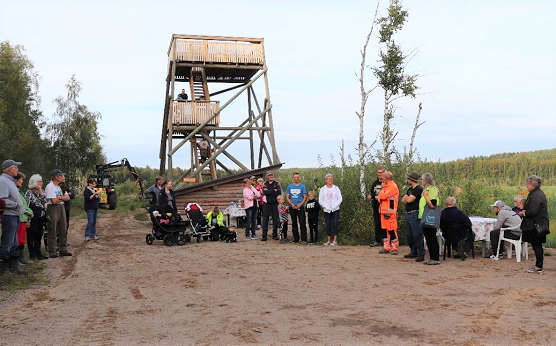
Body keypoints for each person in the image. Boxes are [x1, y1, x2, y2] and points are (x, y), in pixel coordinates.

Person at [0, 159, 28, 275]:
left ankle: (13, 267)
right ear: (11, 169)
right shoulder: (3, 181)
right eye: (16, 167)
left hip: (15, 216)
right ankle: (3, 269)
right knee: (7, 243)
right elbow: (2, 200)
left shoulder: (10, 181)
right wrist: (16, 204)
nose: (17, 170)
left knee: (14, 243)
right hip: (9, 216)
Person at [518, 175, 549, 273]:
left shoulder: (536, 195)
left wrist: (523, 213)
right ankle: (538, 265)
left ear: (531, 185)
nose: (526, 186)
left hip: (536, 225)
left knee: (537, 245)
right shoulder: (537, 193)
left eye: (527, 184)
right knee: (536, 245)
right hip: (537, 223)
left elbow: (533, 211)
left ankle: (538, 267)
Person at [45, 169, 72, 258]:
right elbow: (53, 201)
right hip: (53, 208)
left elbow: (67, 197)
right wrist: (61, 198)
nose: (63, 177)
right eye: (61, 176)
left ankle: (63, 249)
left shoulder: (60, 186)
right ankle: (52, 250)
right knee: (52, 228)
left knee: (63, 227)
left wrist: (60, 198)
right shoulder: (50, 187)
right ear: (56, 176)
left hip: (61, 206)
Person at [401, 172, 425, 262]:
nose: (407, 180)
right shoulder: (410, 189)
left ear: (411, 179)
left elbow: (409, 199)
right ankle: (413, 251)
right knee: (409, 234)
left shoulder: (418, 189)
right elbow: (403, 200)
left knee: (417, 234)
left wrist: (407, 198)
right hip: (408, 213)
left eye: (408, 178)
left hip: (415, 214)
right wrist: (407, 199)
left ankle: (421, 253)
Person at [25, 174, 48, 260]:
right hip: (32, 216)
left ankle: (38, 252)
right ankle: (32, 253)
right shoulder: (29, 192)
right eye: (39, 181)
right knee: (31, 235)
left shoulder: (41, 191)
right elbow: (26, 205)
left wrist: (40, 192)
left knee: (39, 235)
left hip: (40, 216)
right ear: (34, 182)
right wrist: (27, 220)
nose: (41, 183)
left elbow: (45, 201)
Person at [419, 172, 440, 265]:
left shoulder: (432, 189)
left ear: (426, 180)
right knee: (428, 237)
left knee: (431, 238)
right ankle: (432, 257)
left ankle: (435, 258)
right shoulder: (427, 189)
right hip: (425, 216)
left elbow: (432, 204)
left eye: (422, 179)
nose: (421, 181)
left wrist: (425, 196)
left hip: (430, 217)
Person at [377, 171, 400, 255]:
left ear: (387, 178)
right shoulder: (385, 187)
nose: (381, 178)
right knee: (384, 231)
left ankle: (395, 248)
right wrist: (381, 194)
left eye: (383, 176)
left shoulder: (393, 187)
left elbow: (383, 196)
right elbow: (379, 197)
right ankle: (386, 247)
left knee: (392, 231)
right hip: (383, 212)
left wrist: (381, 194)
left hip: (390, 213)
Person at [15, 172, 34, 265]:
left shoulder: (19, 191)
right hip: (20, 217)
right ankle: (17, 260)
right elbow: (21, 205)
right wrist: (29, 212)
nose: (22, 181)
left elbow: (24, 204)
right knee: (18, 239)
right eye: (21, 179)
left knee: (22, 239)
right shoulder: (15, 192)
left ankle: (21, 259)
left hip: (23, 218)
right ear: (16, 180)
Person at [319, 173, 342, 246]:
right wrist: (326, 206)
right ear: (326, 180)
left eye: (331, 179)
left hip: (335, 209)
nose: (330, 180)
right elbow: (320, 200)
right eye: (328, 179)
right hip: (327, 210)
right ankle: (328, 240)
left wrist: (335, 206)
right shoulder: (323, 189)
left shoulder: (336, 188)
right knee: (328, 224)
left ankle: (335, 240)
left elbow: (340, 198)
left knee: (335, 223)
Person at [286, 172, 308, 244]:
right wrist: (291, 204)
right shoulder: (290, 186)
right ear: (293, 178)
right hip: (292, 207)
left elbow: (305, 197)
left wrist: (300, 204)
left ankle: (304, 239)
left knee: (302, 223)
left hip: (300, 207)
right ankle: (296, 239)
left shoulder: (302, 186)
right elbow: (287, 197)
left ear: (299, 178)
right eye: (295, 177)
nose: (296, 178)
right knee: (294, 223)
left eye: (298, 177)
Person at [367, 167, 386, 247]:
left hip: (385, 207)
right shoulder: (375, 183)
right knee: (377, 224)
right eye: (378, 172)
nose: (379, 174)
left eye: (381, 172)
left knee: (385, 225)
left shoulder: (386, 183)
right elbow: (372, 193)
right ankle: (377, 240)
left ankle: (386, 241)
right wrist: (370, 196)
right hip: (376, 207)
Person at [261, 172, 281, 241]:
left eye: (272, 175)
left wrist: (269, 191)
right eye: (269, 175)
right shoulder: (264, 184)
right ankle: (264, 236)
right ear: (267, 177)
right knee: (265, 220)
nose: (271, 176)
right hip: (267, 204)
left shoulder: (277, 183)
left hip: (275, 203)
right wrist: (273, 190)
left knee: (276, 220)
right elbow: (264, 192)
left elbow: (279, 192)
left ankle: (275, 235)